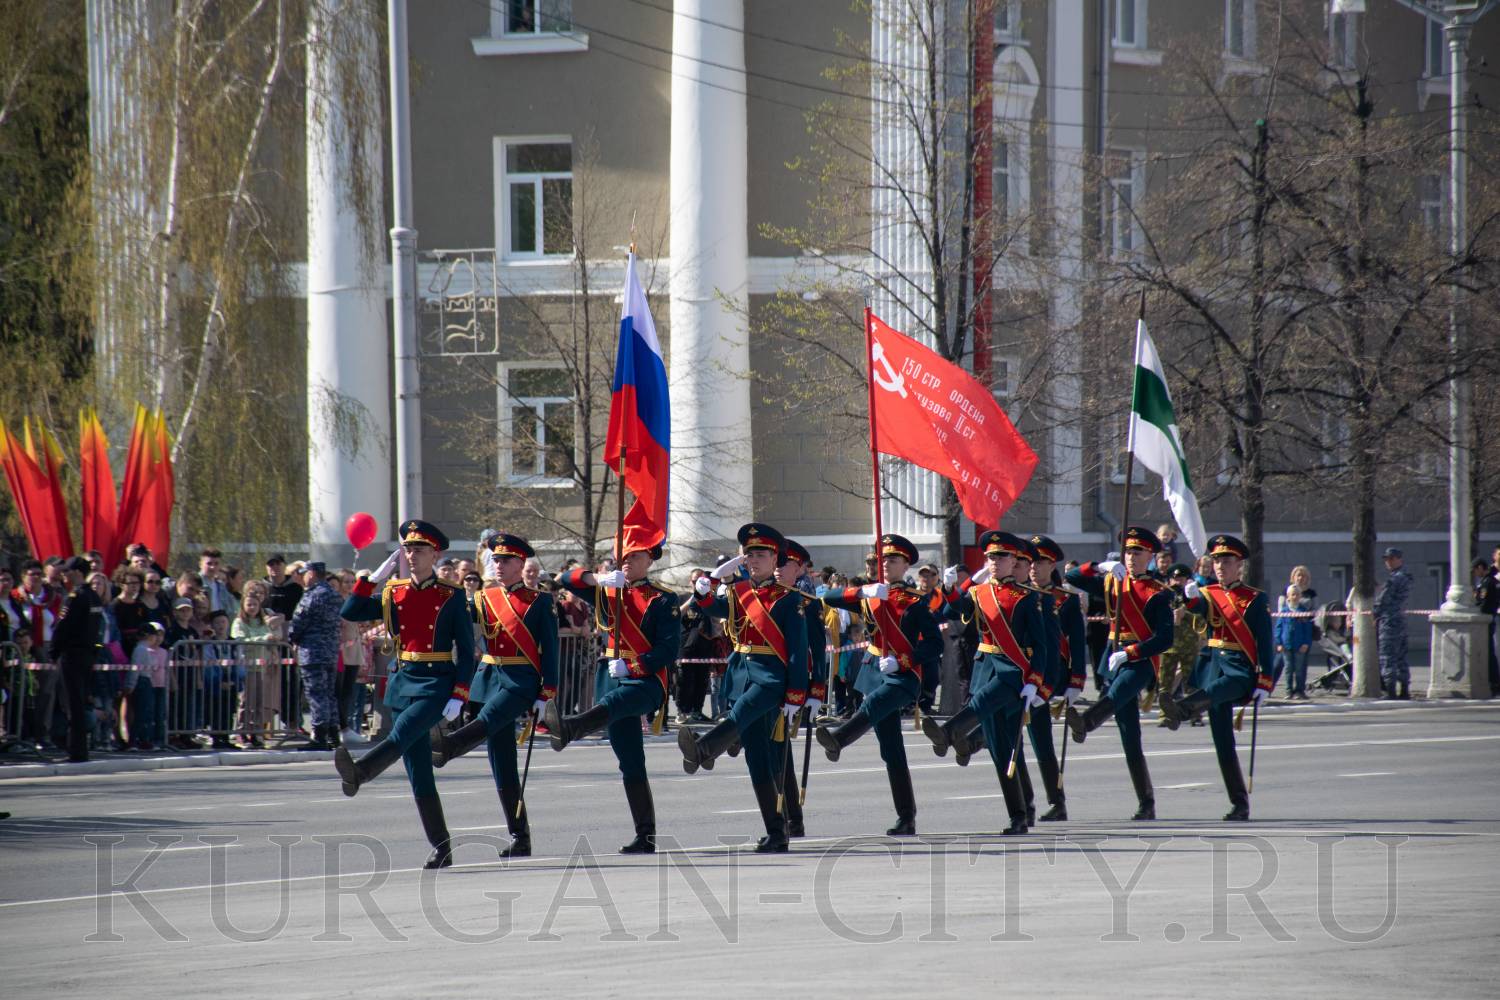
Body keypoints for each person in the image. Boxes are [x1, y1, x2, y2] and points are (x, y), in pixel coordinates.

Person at [335, 520, 477, 869]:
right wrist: (370, 580)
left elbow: (466, 648)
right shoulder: (393, 592)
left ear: (435, 555)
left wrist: (460, 693)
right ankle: (442, 847)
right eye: (408, 550)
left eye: (419, 550)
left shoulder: (451, 595)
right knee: (418, 771)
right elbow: (349, 612)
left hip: (435, 683)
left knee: (401, 734)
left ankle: (362, 772)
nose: (412, 556)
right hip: (403, 681)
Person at [545, 527, 679, 854]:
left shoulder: (663, 598)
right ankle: (645, 836)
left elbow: (668, 649)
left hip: (646, 680)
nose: (628, 561)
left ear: (650, 560)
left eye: (636, 556)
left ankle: (572, 727)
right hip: (610, 676)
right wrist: (598, 579)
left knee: (619, 701)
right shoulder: (607, 589)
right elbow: (563, 579)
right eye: (624, 555)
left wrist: (633, 666)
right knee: (630, 761)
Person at [680, 523, 810, 853]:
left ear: (775, 559)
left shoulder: (789, 599)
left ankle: (704, 749)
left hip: (770, 679)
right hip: (741, 676)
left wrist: (796, 694)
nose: (754, 560)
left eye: (761, 555)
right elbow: (711, 607)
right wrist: (708, 583)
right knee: (757, 758)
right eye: (749, 555)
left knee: (740, 714)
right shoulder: (738, 592)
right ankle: (776, 832)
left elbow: (797, 650)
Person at [428, 533, 558, 859]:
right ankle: (520, 837)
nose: (498, 565)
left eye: (505, 560)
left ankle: (451, 745)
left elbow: (551, 651)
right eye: (495, 560)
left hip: (520, 680)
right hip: (488, 679)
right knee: (502, 763)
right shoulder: (484, 598)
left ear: (520, 564)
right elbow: (454, 616)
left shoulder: (539, 601)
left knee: (488, 720)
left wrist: (547, 693)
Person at [922, 531, 1050, 835]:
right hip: (984, 669)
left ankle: (948, 732)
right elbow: (950, 611)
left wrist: (1035, 681)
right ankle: (1018, 815)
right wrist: (951, 588)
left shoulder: (1026, 598)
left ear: (1013, 560)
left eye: (1001, 556)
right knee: (1001, 750)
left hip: (1012, 672)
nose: (995, 561)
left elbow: (1041, 645)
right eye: (991, 556)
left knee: (981, 704)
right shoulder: (979, 592)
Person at [816, 533, 941, 837]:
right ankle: (906, 817)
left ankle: (840, 739)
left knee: (872, 705)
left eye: (893, 560)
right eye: (883, 559)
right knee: (891, 749)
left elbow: (934, 644)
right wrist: (863, 591)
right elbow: (828, 598)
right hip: (874, 672)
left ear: (906, 566)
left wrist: (904, 661)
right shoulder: (871, 594)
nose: (885, 564)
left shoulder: (915, 602)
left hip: (903, 676)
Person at [1159, 534, 1275, 821]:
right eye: (1217, 561)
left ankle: (1181, 709)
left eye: (1227, 561)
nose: (1221, 566)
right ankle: (1239, 804)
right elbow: (1197, 608)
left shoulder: (1254, 598)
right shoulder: (1208, 593)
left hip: (1239, 669)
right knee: (1223, 743)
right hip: (1212, 666)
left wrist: (1265, 681)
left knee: (1220, 689)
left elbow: (1264, 641)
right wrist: (1190, 596)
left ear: (1239, 565)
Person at [1064, 527, 1175, 821]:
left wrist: (1132, 652)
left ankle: (1087, 722)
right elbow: (1072, 577)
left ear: (1150, 556)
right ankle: (1146, 802)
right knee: (1130, 737)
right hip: (1113, 658)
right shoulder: (1112, 580)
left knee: (1118, 692)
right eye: (1127, 552)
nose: (1131, 557)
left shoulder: (1159, 593)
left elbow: (1165, 639)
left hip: (1140, 660)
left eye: (1137, 552)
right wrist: (1100, 566)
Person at [771, 539, 826, 838]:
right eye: (776, 563)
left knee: (780, 753)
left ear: (800, 568)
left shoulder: (806, 602)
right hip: (765, 681)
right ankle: (786, 818)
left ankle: (792, 819)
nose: (778, 569)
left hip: (790, 686)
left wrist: (816, 690)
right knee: (772, 753)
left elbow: (817, 649)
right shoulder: (764, 597)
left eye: (785, 564)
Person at [51, 557, 104, 762]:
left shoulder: (75, 597)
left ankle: (76, 750)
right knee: (79, 702)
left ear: (78, 573)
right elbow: (98, 631)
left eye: (68, 571)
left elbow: (63, 627)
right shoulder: (94, 596)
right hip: (88, 655)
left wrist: (54, 651)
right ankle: (80, 748)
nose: (64, 574)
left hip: (71, 655)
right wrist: (95, 652)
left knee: (72, 704)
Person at [288, 562, 344, 749]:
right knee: (329, 694)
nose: (302, 577)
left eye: (304, 573)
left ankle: (320, 737)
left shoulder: (312, 595)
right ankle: (333, 735)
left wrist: (291, 638)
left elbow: (298, 622)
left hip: (312, 652)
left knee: (316, 694)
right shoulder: (335, 595)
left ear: (311, 574)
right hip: (330, 652)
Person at [232, 581, 284, 745]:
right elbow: (240, 640)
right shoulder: (239, 622)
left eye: (255, 604)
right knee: (246, 701)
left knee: (259, 702)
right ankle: (242, 731)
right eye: (249, 604)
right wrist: (263, 639)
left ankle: (256, 732)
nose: (252, 607)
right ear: (243, 605)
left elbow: (270, 637)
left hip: (261, 667)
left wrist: (272, 643)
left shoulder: (262, 623)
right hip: (246, 667)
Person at [1157, 564, 1207, 726]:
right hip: (1167, 645)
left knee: (1191, 682)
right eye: (1174, 578)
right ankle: (1165, 715)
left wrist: (1186, 614)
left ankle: (1194, 714)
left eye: (1181, 578)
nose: (1177, 582)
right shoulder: (1163, 596)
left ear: (1187, 580)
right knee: (1165, 683)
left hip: (1188, 645)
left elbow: (1202, 620)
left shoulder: (1194, 597)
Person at [1374, 546, 1413, 699]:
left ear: (1399, 560)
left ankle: (1390, 691)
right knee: (1401, 657)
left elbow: (1382, 600)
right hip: (1401, 621)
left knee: (1388, 656)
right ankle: (1404, 690)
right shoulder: (1406, 577)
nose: (1388, 562)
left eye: (1391, 559)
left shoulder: (1394, 579)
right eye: (1386, 559)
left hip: (1389, 622)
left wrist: (1375, 614)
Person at [131, 621, 170, 750]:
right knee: (144, 713)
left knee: (154, 714)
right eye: (155, 635)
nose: (157, 638)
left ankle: (152, 739)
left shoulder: (158, 651)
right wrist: (131, 684)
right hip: (145, 683)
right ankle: (139, 740)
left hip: (154, 684)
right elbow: (136, 669)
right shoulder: (141, 650)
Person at [1275, 584, 1314, 700]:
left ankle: (1299, 691)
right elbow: (1278, 628)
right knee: (1288, 669)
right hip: (1286, 645)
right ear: (1288, 596)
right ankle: (1288, 691)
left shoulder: (1303, 611)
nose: (1295, 597)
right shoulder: (1284, 611)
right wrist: (1279, 643)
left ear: (1300, 596)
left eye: (1297, 594)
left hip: (1300, 645)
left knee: (1299, 669)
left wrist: (1306, 643)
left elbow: (1308, 629)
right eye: (1293, 594)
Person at [1474, 551, 1499, 697]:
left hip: (1486, 621)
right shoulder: (1487, 581)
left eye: (1475, 570)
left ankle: (1494, 683)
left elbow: (1483, 603)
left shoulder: (1487, 582)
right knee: (1488, 652)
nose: (1475, 574)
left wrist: (1475, 609)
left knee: (1488, 653)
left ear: (1480, 567)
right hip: (1487, 620)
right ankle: (1493, 682)